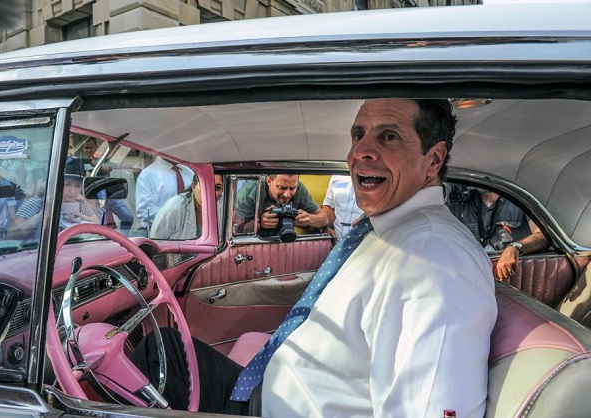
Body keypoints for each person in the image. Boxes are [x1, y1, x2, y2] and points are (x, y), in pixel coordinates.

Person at [133, 99, 497, 417]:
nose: (360, 153)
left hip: (273, 410)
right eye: (358, 136)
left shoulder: (436, 260)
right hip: (270, 393)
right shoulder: (388, 231)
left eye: (388, 137)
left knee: (154, 359)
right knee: (162, 348)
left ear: (433, 160)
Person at [10, 158, 99, 241]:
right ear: (56, 183)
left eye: (78, 186)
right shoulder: (37, 203)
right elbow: (12, 235)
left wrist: (84, 219)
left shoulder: (81, 207)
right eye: (67, 184)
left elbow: (100, 230)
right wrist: (43, 214)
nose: (72, 191)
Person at [234, 174, 329, 237]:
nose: (287, 194)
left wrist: (308, 219)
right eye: (282, 188)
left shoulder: (299, 188)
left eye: (292, 188)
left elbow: (324, 219)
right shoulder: (250, 191)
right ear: (268, 181)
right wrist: (260, 224)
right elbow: (234, 229)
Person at [150, 174, 223, 239]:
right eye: (205, 186)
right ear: (193, 186)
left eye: (217, 188)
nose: (210, 193)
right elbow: (156, 242)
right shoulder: (174, 208)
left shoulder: (224, 208)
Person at [135, 157, 195, 230]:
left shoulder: (190, 172)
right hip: (159, 233)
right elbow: (145, 211)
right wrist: (178, 218)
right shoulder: (147, 175)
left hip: (191, 229)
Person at [322, 174, 363, 242]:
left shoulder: (375, 176)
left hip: (366, 241)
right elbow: (329, 206)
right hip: (338, 242)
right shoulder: (337, 176)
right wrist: (326, 228)